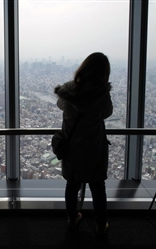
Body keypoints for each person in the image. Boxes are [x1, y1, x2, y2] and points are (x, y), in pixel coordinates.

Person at [54, 52, 113, 235]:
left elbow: (60, 105)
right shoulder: (101, 94)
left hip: (73, 148)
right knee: (97, 187)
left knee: (72, 185)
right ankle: (101, 224)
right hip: (94, 148)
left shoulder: (68, 91)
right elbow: (107, 113)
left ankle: (72, 218)